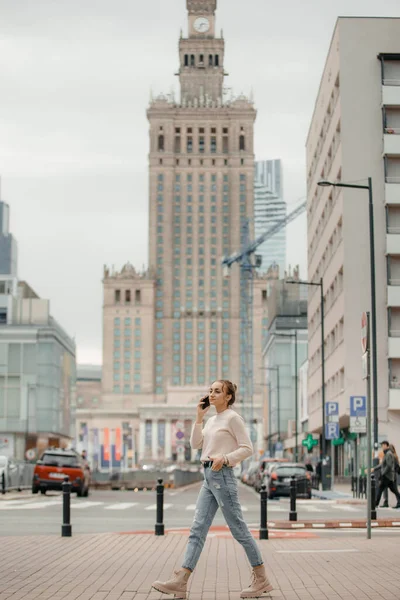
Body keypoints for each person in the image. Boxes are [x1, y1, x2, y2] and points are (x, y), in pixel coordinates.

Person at [151, 380, 273, 599]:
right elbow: (196, 445)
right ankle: (181, 581)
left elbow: (247, 448)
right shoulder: (212, 419)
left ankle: (261, 578)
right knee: (197, 529)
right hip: (208, 476)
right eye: (211, 390)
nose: (212, 394)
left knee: (238, 529)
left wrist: (225, 458)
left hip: (222, 475)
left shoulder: (233, 418)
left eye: (218, 391)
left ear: (228, 397)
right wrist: (198, 417)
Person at [375, 441, 400, 509]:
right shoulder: (387, 454)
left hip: (387, 475)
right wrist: (375, 468)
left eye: (383, 445)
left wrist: (383, 473)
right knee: (393, 490)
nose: (382, 447)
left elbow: (389, 465)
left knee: (380, 489)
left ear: (386, 445)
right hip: (389, 475)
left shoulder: (388, 454)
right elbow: (383, 464)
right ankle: (382, 503)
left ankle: (375, 504)